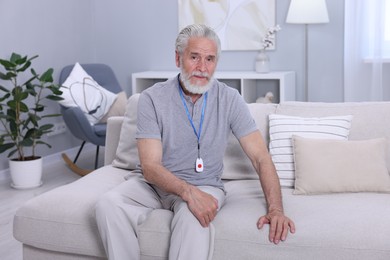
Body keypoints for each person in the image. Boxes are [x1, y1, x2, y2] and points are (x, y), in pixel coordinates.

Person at [95, 24, 295, 260]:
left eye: (210, 59)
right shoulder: (151, 98)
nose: (202, 68)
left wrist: (276, 210)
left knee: (195, 216)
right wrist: (187, 192)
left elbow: (261, 158)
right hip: (152, 185)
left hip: (204, 185)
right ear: (178, 58)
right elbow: (150, 166)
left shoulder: (230, 99)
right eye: (194, 57)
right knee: (108, 204)